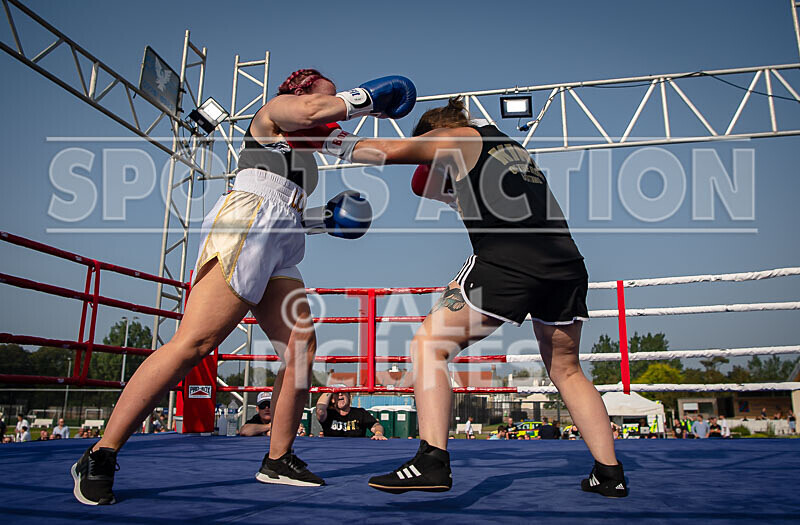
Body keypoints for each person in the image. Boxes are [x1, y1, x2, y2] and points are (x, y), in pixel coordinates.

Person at [69, 68, 416, 505]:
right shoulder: (274, 113)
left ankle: (278, 458)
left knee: (300, 350)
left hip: (284, 238)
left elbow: (373, 151)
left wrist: (441, 151)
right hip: (247, 222)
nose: (332, 113)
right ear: (302, 90)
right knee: (195, 342)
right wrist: (370, 96)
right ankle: (100, 453)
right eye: (329, 99)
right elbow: (310, 114)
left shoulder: (312, 144)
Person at [326, 97, 626, 497]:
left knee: (429, 346)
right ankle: (610, 474)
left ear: (435, 132)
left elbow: (388, 152)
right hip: (566, 264)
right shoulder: (511, 148)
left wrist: (324, 139)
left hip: (509, 264)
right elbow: (451, 193)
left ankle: (432, 460)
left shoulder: (456, 138)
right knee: (568, 370)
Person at [315, 392, 387, 439]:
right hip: (332, 449)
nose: (340, 394)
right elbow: (320, 409)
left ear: (349, 397)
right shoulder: (328, 414)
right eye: (337, 393)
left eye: (343, 392)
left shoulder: (360, 413)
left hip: (356, 450)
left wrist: (378, 433)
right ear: (333, 399)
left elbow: (376, 426)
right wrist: (329, 390)